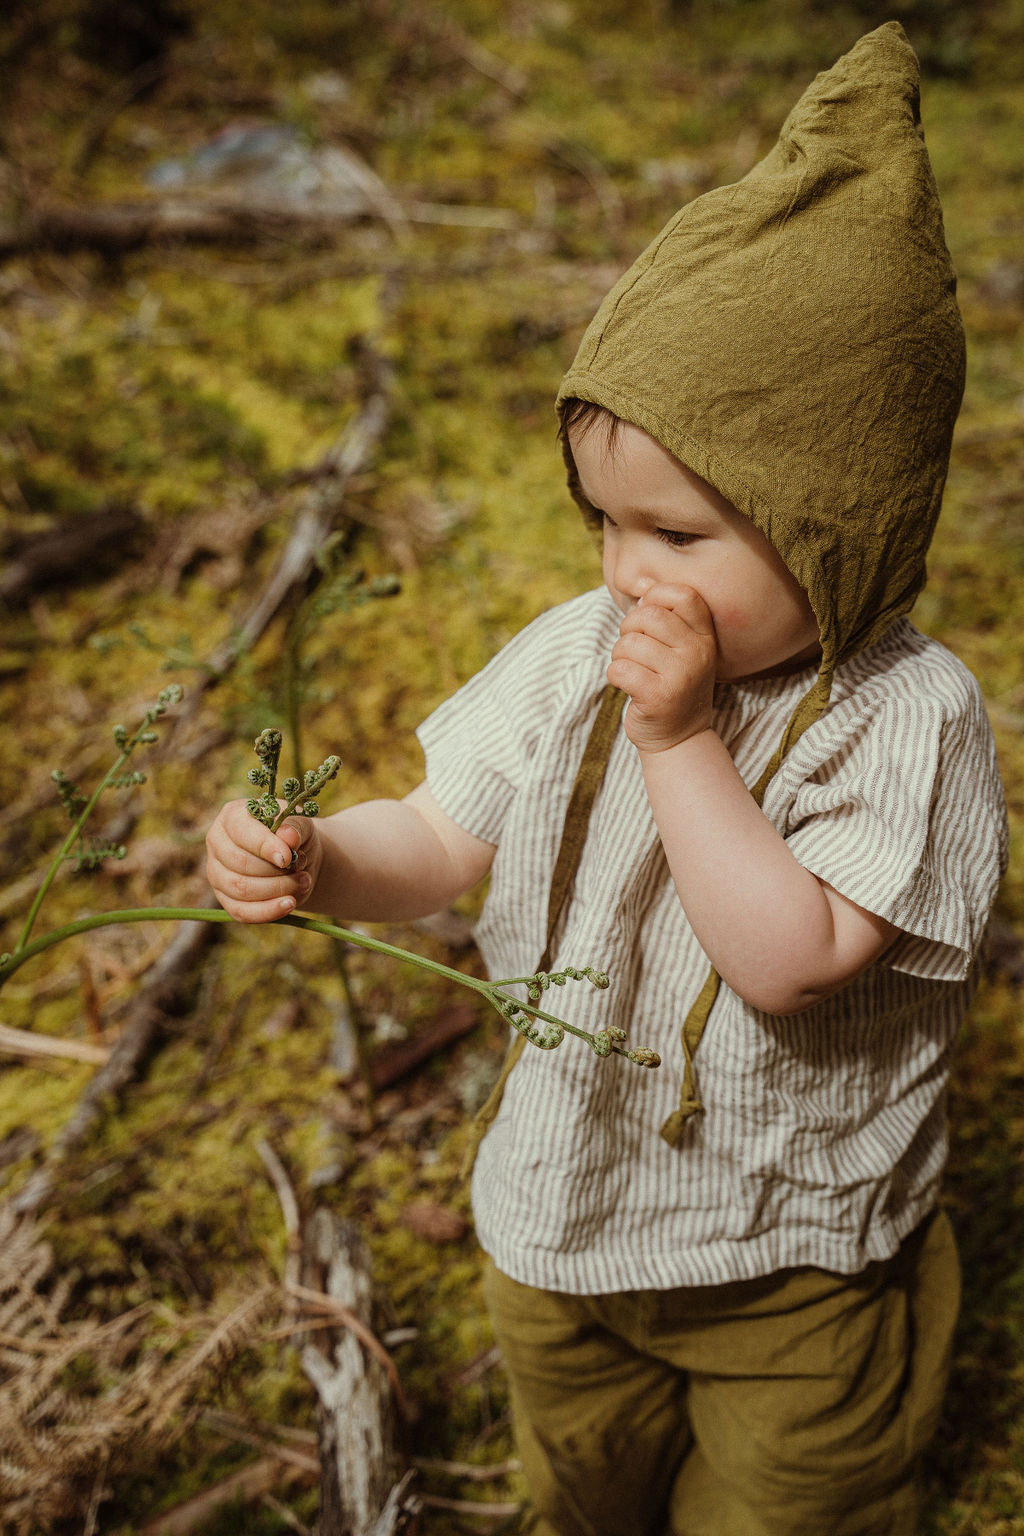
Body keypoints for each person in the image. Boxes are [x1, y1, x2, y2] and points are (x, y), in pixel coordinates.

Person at [205, 21, 1008, 1536]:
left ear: (841, 520)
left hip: (791, 1263)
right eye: (604, 523)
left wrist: (686, 745)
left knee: (792, 1514)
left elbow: (790, 964)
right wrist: (320, 862)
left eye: (684, 536)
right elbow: (444, 837)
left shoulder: (909, 720)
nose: (632, 573)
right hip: (565, 1217)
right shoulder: (580, 649)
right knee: (584, 1487)